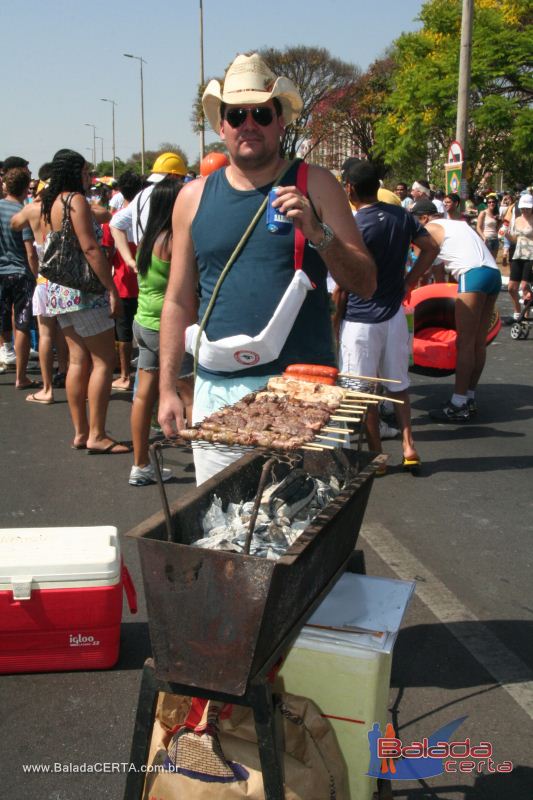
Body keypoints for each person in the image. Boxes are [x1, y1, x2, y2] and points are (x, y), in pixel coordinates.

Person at [158, 52, 376, 485]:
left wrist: (318, 233)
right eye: (236, 115)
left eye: (261, 113)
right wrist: (167, 388)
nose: (248, 124)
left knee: (303, 528)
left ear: (280, 121)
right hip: (218, 389)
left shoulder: (316, 184)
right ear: (221, 126)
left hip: (302, 389)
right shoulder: (192, 198)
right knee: (223, 524)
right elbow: (178, 299)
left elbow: (366, 282)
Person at [339, 160, 439, 471]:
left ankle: (377, 456)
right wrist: (409, 282)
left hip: (360, 321)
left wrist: (334, 323)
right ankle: (409, 446)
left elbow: (342, 285)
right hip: (394, 315)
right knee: (399, 384)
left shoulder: (355, 226)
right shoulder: (400, 215)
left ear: (350, 189)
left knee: (365, 390)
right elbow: (430, 247)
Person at [40, 149, 130, 452]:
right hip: (84, 292)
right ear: (75, 171)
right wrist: (111, 289)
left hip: (60, 292)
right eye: (86, 171)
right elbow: (90, 248)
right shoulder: (75, 200)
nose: (89, 176)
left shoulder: (52, 202)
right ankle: (97, 434)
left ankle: (81, 432)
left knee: (77, 360)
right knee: (103, 361)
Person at [410, 199, 502, 421]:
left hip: (473, 275)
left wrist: (407, 284)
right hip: (493, 274)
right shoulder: (458, 224)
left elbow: (425, 262)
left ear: (423, 218)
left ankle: (458, 403)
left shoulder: (429, 229)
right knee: (478, 343)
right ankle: (468, 398)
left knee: (464, 343)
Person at [129, 178, 194, 486]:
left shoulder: (148, 238)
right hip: (167, 329)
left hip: (142, 323)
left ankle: (140, 465)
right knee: (190, 392)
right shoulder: (173, 240)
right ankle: (207, 462)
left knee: (143, 396)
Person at [10, 169, 68, 402]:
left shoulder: (34, 209)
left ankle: (46, 388)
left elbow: (15, 224)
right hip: (65, 278)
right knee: (66, 333)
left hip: (44, 278)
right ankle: (64, 372)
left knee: (45, 334)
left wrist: (33, 203)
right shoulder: (65, 208)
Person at [101, 170, 143, 391]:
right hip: (146, 283)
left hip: (122, 285)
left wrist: (107, 287)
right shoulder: (148, 215)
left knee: (124, 333)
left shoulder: (113, 220)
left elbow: (106, 256)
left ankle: (126, 376)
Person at [110, 152, 187, 267]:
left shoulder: (142, 195)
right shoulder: (177, 195)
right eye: (182, 178)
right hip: (169, 262)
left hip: (144, 260)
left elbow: (115, 223)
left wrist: (129, 260)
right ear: (174, 176)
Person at [0, 167, 39, 388]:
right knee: (22, 324)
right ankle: (21, 377)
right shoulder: (22, 211)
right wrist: (35, 276)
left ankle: (5, 354)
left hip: (1, 273)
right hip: (20, 273)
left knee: (2, 317)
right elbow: (30, 251)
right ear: (26, 188)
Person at [507, 193, 533, 319]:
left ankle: (526, 314)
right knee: (511, 287)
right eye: (523, 208)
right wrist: (506, 235)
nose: (525, 210)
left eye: (528, 208)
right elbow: (514, 239)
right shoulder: (517, 220)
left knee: (524, 286)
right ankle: (517, 310)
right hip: (518, 255)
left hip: (531, 256)